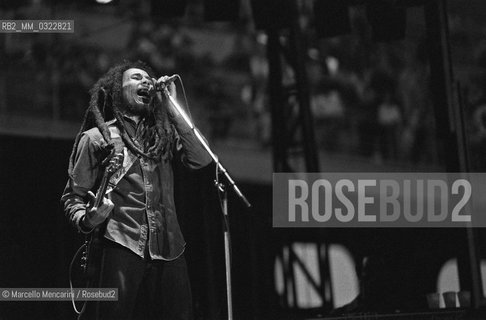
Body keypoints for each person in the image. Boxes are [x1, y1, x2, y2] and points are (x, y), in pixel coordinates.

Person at [61, 60, 212, 320]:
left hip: (169, 247)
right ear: (118, 91)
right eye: (135, 77)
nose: (144, 81)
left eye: (147, 78)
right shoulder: (97, 138)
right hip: (120, 242)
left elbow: (202, 158)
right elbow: (72, 196)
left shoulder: (162, 136)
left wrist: (173, 108)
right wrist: (87, 219)